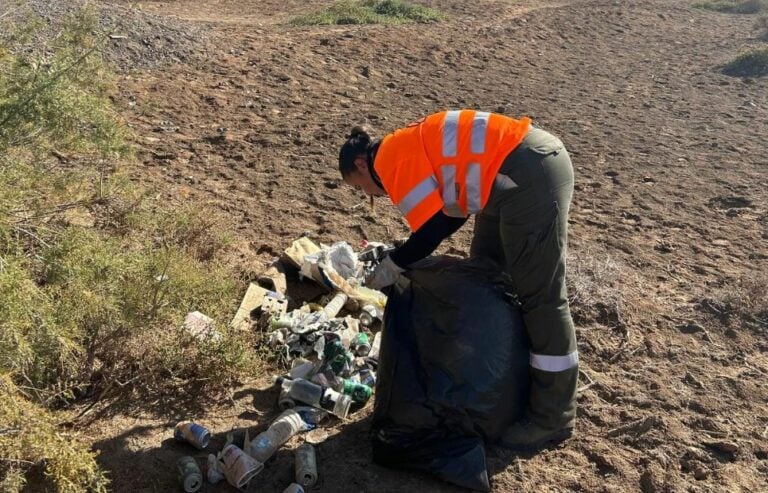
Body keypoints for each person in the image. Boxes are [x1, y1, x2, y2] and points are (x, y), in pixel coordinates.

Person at [338, 109, 577, 451]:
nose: (369, 195)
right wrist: (403, 255)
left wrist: (395, 263)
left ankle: (552, 417)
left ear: (362, 165)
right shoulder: (399, 146)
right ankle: (510, 382)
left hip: (526, 172)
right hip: (508, 171)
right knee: (487, 273)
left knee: (541, 297)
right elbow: (452, 215)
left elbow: (434, 228)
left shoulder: (390, 160)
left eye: (360, 187)